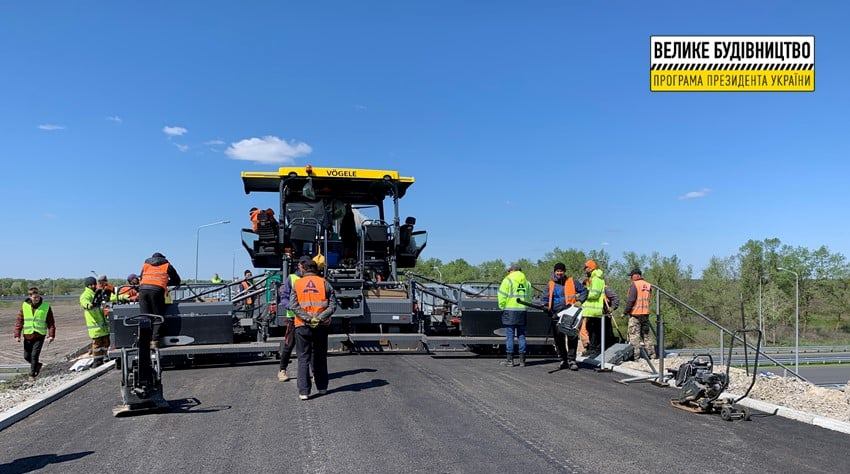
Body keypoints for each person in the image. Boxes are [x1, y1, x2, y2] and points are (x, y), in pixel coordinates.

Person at [290, 259, 336, 400]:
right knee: (320, 357)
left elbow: (293, 305)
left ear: (304, 269)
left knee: (303, 357)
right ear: (316, 269)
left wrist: (308, 318)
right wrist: (319, 318)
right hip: (320, 326)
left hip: (302, 326)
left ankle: (304, 392)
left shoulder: (297, 284)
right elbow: (332, 305)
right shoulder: (324, 283)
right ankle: (322, 388)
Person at [546, 263, 587, 371]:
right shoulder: (550, 284)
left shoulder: (572, 281)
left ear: (564, 271)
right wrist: (544, 306)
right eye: (557, 271)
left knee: (572, 337)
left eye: (561, 271)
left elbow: (584, 291)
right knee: (558, 339)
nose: (559, 273)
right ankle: (563, 359)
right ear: (554, 272)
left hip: (570, 313)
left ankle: (571, 360)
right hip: (556, 314)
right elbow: (545, 298)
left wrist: (580, 301)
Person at [278, 256, 311, 381]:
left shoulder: (311, 278)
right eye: (304, 266)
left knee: (310, 346)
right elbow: (284, 298)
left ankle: (313, 372)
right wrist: (293, 308)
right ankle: (282, 370)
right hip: (293, 318)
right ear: (300, 266)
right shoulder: (292, 278)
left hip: (307, 318)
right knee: (289, 345)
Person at [138, 252, 181, 348]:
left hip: (143, 290)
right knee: (157, 316)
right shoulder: (166, 265)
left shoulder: (146, 264)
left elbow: (141, 277)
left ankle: (144, 340)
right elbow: (177, 280)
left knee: (145, 316)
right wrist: (165, 282)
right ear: (163, 258)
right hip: (157, 290)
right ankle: (154, 341)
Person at [14, 287, 55, 378]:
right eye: (34, 297)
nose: (36, 299)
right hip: (28, 335)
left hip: (39, 335)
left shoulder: (46, 306)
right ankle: (37, 365)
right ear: (30, 297)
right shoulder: (25, 306)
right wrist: (17, 334)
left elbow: (51, 322)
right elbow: (19, 320)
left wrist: (51, 335)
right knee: (26, 356)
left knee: (34, 355)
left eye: (38, 297)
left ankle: (32, 375)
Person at [497, 264, 532, 367]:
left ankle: (510, 360)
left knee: (510, 336)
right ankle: (522, 360)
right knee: (521, 336)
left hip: (510, 311)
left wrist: (502, 306)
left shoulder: (507, 280)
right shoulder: (526, 282)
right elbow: (529, 297)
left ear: (511, 271)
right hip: (522, 311)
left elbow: (502, 295)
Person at [624, 268, 656, 359]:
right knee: (647, 336)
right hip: (645, 314)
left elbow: (631, 300)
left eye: (631, 275)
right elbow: (649, 299)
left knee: (634, 336)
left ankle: (635, 356)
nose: (630, 277)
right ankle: (652, 355)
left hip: (635, 314)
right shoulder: (648, 285)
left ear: (637, 275)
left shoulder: (635, 285)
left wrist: (625, 312)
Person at [81, 277, 110, 367]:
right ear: (88, 285)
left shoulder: (98, 293)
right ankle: (97, 360)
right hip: (95, 325)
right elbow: (84, 302)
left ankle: (104, 357)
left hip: (103, 325)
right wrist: (90, 305)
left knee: (106, 342)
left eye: (94, 284)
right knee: (97, 344)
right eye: (92, 284)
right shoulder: (86, 295)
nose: (94, 286)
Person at [581, 259, 606, 358]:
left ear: (591, 267)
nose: (585, 270)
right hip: (590, 310)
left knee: (594, 331)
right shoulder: (592, 278)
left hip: (595, 310)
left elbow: (595, 294)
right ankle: (592, 349)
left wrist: (584, 294)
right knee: (591, 330)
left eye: (586, 268)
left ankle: (594, 350)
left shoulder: (596, 279)